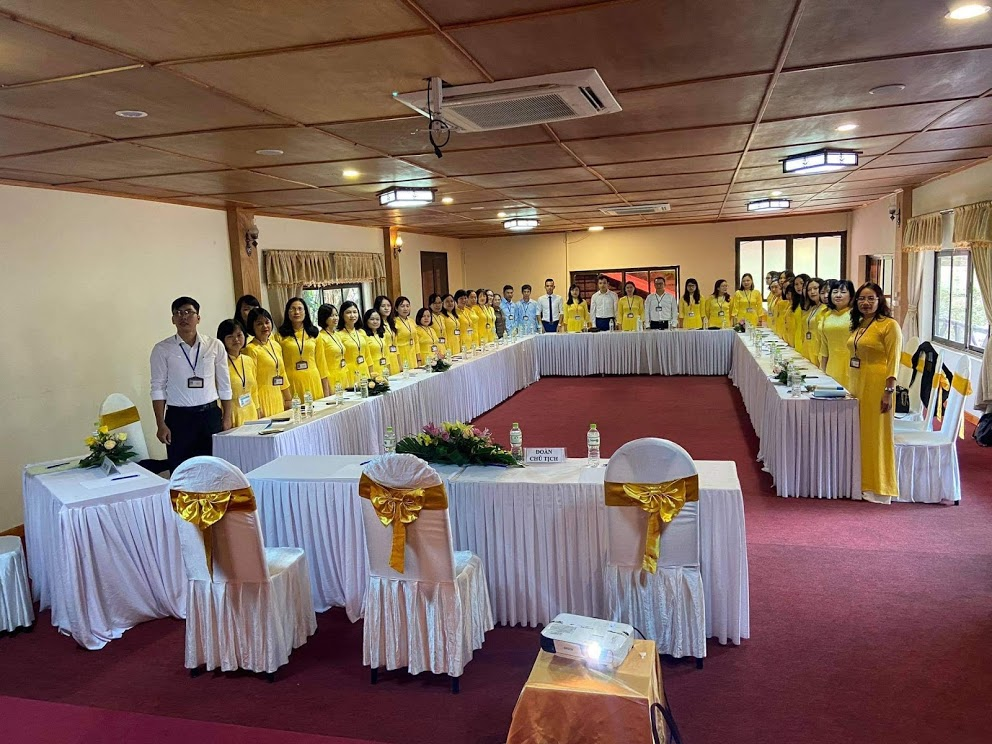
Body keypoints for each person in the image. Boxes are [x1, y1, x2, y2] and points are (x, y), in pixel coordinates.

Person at [150, 296, 232, 474]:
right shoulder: (162, 349)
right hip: (179, 419)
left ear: (198, 318)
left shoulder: (214, 345)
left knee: (214, 471)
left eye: (189, 312)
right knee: (182, 473)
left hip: (210, 416)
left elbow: (225, 385)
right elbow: (157, 388)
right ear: (173, 319)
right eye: (178, 313)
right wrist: (160, 424)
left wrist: (227, 418)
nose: (184, 317)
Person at [847, 283, 902, 504]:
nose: (866, 303)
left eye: (871, 298)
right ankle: (861, 480)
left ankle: (879, 486)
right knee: (861, 434)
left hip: (878, 385)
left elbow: (894, 361)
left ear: (880, 301)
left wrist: (888, 391)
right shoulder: (860, 323)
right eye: (862, 298)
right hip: (857, 383)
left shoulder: (889, 325)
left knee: (876, 435)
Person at [277, 297, 328, 400]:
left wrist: (326, 392)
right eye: (293, 309)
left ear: (305, 312)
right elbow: (279, 367)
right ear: (287, 312)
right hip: (291, 382)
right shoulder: (280, 335)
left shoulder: (314, 333)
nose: (297, 312)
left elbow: (321, 363)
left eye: (300, 309)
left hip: (313, 380)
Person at [245, 307, 291, 417]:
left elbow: (282, 373)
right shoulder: (250, 349)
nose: (265, 326)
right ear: (252, 326)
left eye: (267, 322)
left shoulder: (275, 345)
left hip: (277, 395)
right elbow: (251, 382)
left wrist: (288, 398)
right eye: (259, 324)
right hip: (262, 398)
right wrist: (257, 407)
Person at [217, 319, 259, 426]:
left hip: (251, 411)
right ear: (222, 340)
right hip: (231, 415)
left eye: (239, 335)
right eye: (230, 337)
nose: (236, 339)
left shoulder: (248, 360)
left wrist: (258, 409)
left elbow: (254, 389)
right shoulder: (220, 363)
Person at [818, 279, 855, 390]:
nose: (838, 295)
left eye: (843, 292)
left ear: (851, 296)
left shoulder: (856, 315)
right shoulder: (827, 315)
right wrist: (822, 369)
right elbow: (824, 346)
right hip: (832, 366)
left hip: (851, 367)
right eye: (835, 292)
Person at [336, 300, 371, 386]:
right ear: (342, 315)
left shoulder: (362, 332)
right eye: (348, 312)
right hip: (350, 372)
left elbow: (368, 356)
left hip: (364, 369)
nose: (352, 315)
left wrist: (372, 374)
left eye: (355, 312)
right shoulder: (338, 335)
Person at [316, 303, 346, 394]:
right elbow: (321, 364)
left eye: (336, 315)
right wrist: (326, 387)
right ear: (324, 317)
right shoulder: (321, 337)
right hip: (331, 378)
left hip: (343, 374)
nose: (335, 318)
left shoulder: (336, 334)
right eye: (332, 316)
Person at [373, 295, 402, 376]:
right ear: (378, 307)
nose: (386, 308)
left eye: (389, 306)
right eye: (383, 306)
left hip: (394, 358)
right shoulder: (376, 324)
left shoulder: (391, 323)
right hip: (384, 359)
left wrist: (400, 363)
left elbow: (396, 345)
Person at [800, 278, 825, 363]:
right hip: (808, 347)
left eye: (815, 288)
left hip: (818, 350)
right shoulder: (813, 308)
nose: (812, 292)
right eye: (809, 290)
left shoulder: (825, 309)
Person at [363, 308, 392, 377]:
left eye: (377, 319)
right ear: (366, 320)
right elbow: (367, 357)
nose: (375, 322)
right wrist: (371, 373)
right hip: (373, 368)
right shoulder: (364, 335)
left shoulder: (382, 335)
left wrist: (389, 370)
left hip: (384, 368)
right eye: (372, 319)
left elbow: (386, 354)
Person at [393, 296, 419, 370]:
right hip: (402, 354)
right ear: (396, 308)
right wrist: (399, 363)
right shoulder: (394, 322)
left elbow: (416, 340)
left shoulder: (411, 321)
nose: (405, 309)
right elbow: (395, 343)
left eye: (407, 306)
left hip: (412, 353)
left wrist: (418, 358)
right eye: (402, 306)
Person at [791, 274, 810, 349]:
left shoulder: (812, 304)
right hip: (797, 339)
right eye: (796, 284)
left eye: (802, 283)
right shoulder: (798, 303)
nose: (799, 286)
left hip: (808, 342)